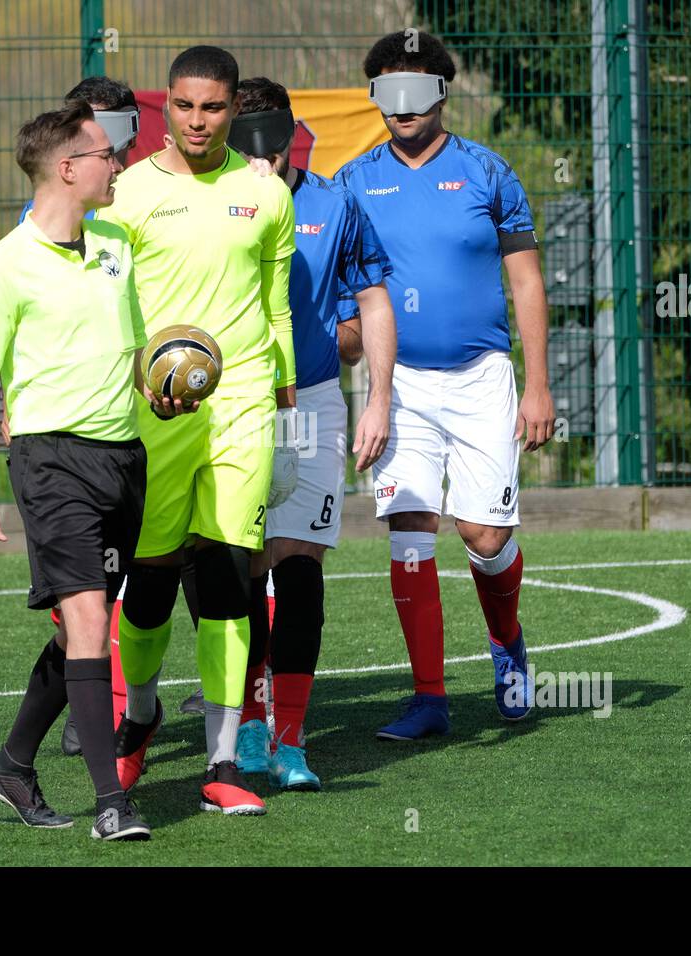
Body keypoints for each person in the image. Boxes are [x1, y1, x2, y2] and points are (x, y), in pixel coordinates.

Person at [0, 101, 188, 841]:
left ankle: (12, 764)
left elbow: (131, 349)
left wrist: (160, 388)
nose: (115, 164)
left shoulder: (116, 241)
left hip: (124, 457)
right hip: (50, 459)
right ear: (67, 168)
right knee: (90, 622)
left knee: (78, 633)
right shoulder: (2, 267)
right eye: (103, 154)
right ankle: (112, 804)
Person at [335, 31, 556, 738]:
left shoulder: (489, 172)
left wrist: (539, 385)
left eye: (416, 90)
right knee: (410, 529)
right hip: (393, 386)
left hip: (481, 378)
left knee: (486, 537)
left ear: (441, 92)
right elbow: (338, 285)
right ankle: (429, 698)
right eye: (387, 92)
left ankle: (507, 645)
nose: (402, 107)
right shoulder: (352, 181)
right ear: (374, 97)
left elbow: (525, 279)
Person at [96, 45, 297, 815]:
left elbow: (275, 304)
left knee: (222, 572)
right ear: (165, 108)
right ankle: (139, 709)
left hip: (242, 401)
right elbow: (106, 308)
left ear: (235, 107)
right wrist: (136, 384)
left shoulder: (265, 195)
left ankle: (222, 763)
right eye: (184, 106)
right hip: (153, 410)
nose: (199, 121)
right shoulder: (126, 195)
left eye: (214, 107)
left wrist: (283, 397)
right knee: (146, 582)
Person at [226, 77, 396, 789]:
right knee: (241, 566)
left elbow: (374, 298)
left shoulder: (334, 203)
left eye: (270, 130)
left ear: (294, 130)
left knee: (298, 561)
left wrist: (379, 398)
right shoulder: (212, 203)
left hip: (312, 403)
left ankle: (291, 741)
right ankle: (249, 721)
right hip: (230, 402)